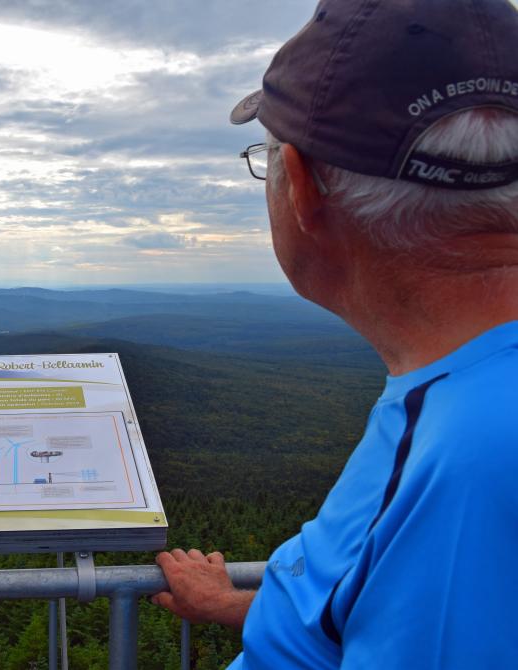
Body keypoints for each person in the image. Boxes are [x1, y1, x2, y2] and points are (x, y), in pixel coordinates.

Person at [152, 0, 518, 667]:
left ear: (300, 188)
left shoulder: (472, 455)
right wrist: (233, 605)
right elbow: (392, 608)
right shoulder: (460, 403)